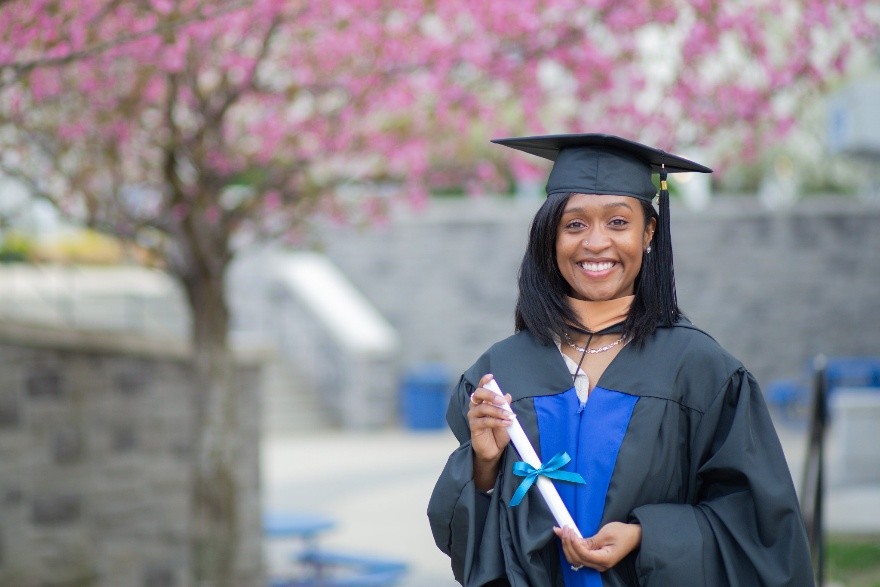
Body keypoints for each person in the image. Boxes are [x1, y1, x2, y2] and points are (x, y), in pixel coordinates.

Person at [427, 134, 813, 587]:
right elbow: (462, 540)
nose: (595, 243)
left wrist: (647, 536)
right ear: (550, 236)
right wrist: (484, 465)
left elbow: (760, 526)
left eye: (617, 222)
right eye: (574, 225)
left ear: (648, 233)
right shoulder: (503, 369)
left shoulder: (700, 369)